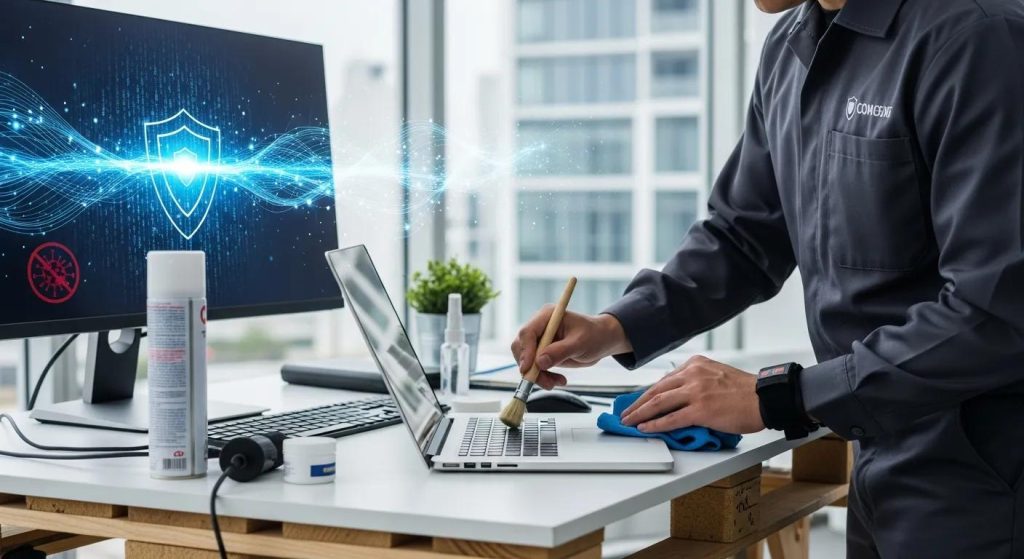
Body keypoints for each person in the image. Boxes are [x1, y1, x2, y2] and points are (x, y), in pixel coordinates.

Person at [511, 0, 1024, 556]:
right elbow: (744, 236)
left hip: (987, 474)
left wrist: (781, 398)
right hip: (875, 453)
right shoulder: (790, 48)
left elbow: (996, 309)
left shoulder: (982, 40)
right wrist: (615, 326)